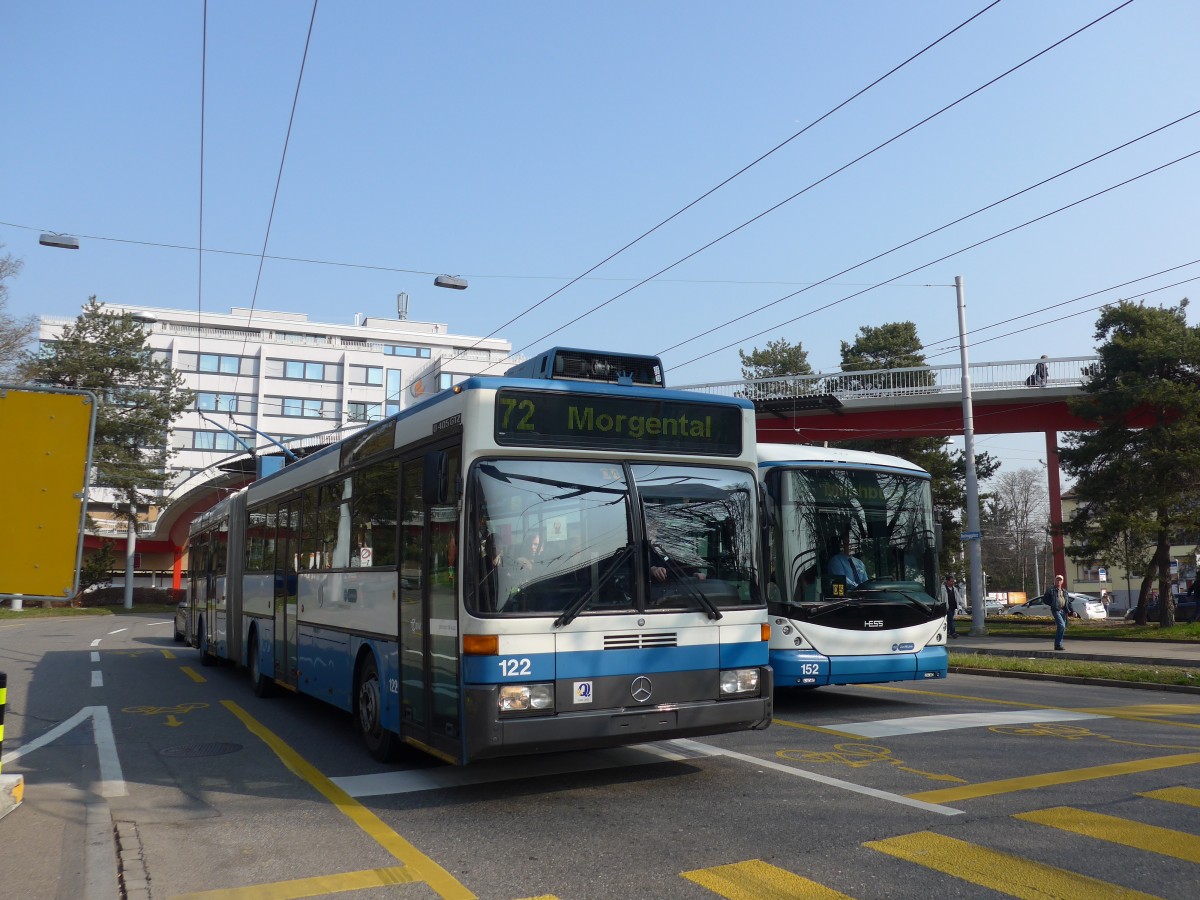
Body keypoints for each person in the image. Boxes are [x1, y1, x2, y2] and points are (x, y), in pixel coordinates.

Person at [1043, 574, 1069, 650]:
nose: (1058, 581)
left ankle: (1058, 644)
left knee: (1062, 628)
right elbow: (1045, 599)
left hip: (1063, 610)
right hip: (1056, 610)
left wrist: (1072, 611)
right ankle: (1058, 644)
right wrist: (1052, 604)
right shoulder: (1051, 590)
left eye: (1060, 580)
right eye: (1057, 580)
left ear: (1062, 581)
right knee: (1062, 626)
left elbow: (1068, 602)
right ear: (1055, 581)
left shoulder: (1064, 591)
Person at [939, 574, 961, 638]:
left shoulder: (955, 589)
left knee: (949, 620)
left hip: (953, 607)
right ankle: (953, 633)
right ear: (947, 581)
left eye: (953, 581)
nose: (952, 583)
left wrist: (963, 605)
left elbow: (959, 598)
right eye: (951, 581)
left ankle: (947, 633)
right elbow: (940, 598)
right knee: (951, 620)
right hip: (947, 607)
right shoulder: (943, 589)